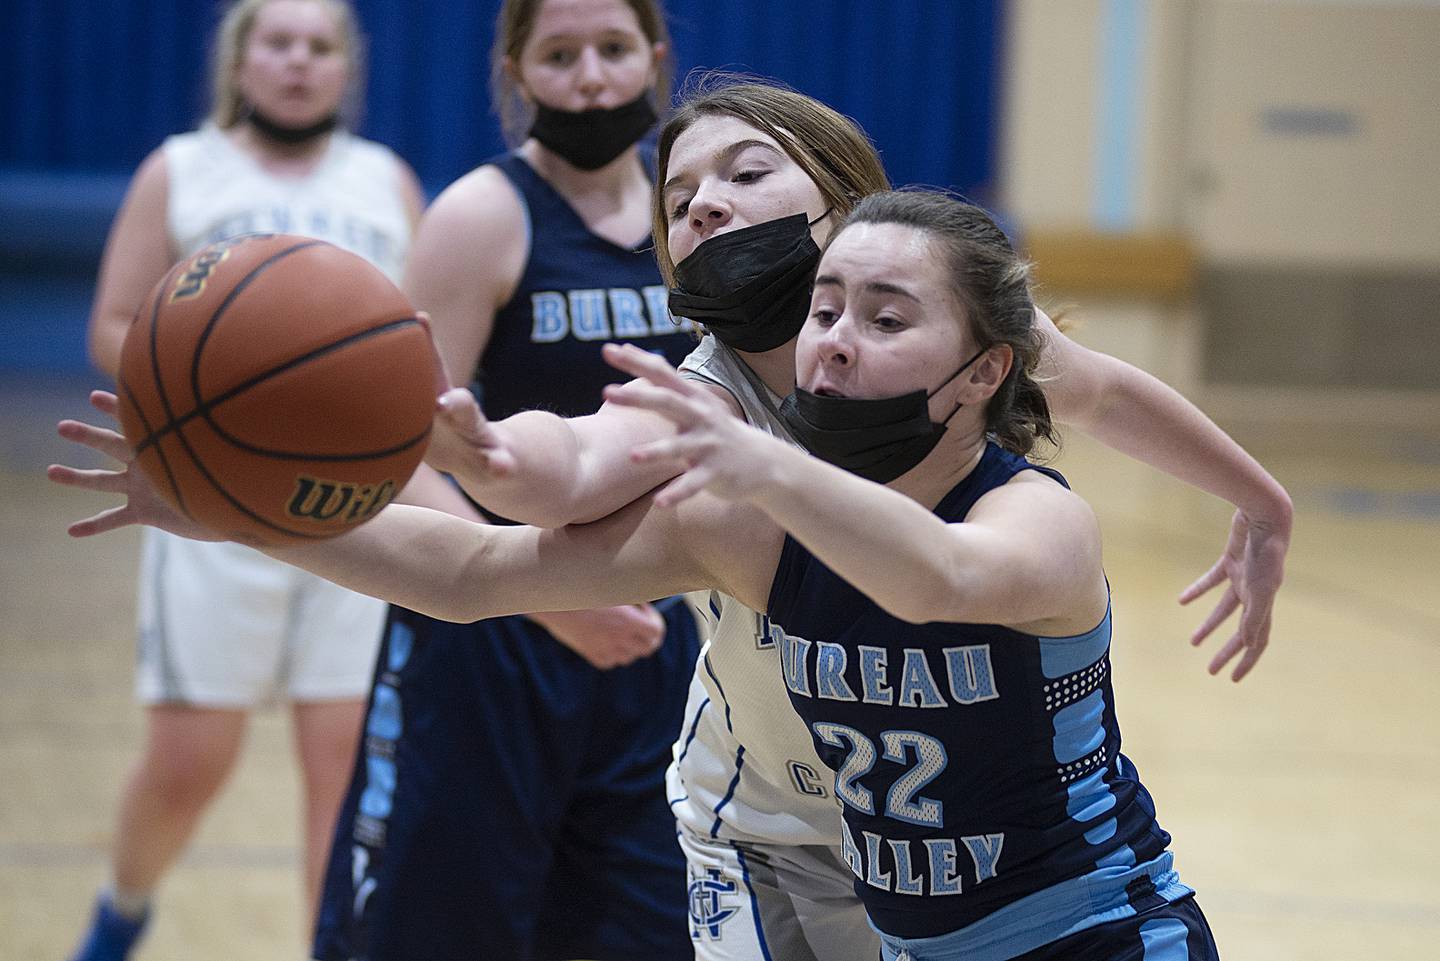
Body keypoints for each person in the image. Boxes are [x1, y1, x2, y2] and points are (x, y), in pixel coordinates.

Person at [53, 188, 1228, 960]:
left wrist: (760, 471)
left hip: (1098, 934)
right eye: (826, 308)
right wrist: (241, 514)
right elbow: (469, 570)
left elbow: (931, 581)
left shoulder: (1035, 521)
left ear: (981, 373)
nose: (833, 336)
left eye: (884, 316)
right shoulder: (751, 526)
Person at [417, 78, 1291, 960]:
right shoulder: (704, 395)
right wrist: (485, 447)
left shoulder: (953, 327)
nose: (708, 203)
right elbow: (571, 460)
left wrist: (1261, 500)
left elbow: (1101, 389)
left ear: (841, 199)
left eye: (748, 172)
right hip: (772, 822)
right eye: (679, 202)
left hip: (942, 832)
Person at [310, 1, 703, 959]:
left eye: (613, 50)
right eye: (560, 56)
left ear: (653, 59)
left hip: (647, 631)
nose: (592, 77)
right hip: (485, 624)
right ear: (515, 74)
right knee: (442, 927)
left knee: (648, 930)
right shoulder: (482, 215)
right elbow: (398, 448)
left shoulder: (690, 215)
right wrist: (543, 599)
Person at [64, 2, 423, 959]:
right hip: (211, 507)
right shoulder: (181, 169)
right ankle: (122, 910)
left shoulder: (384, 181)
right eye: (278, 42)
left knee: (340, 772)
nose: (299, 62)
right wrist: (223, 382)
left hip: (358, 514)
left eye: (319, 47)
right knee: (188, 763)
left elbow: (417, 343)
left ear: (346, 68)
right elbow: (113, 324)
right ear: (241, 60)